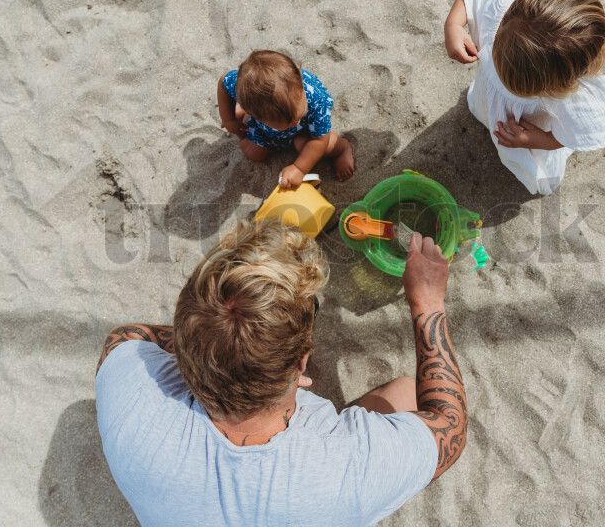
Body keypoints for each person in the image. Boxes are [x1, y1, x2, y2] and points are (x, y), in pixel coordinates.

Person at [95, 218, 467, 526]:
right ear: (302, 362)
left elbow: (125, 337)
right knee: (407, 392)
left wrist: (213, 347)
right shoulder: (341, 472)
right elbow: (449, 423)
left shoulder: (131, 394)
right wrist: (427, 303)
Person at [444, 0, 605, 195]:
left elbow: (572, 132)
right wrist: (453, 27)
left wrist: (540, 140)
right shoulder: (503, 9)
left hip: (528, 129)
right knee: (485, 110)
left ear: (557, 85)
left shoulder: (572, 94)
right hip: (487, 101)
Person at [217, 49, 355, 188]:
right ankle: (248, 114)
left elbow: (319, 140)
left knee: (305, 144)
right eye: (291, 122)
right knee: (253, 153)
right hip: (266, 125)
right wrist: (229, 120)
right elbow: (224, 81)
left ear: (301, 83)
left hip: (306, 131)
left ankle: (342, 148)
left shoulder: (316, 100)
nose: (297, 122)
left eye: (299, 116)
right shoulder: (243, 86)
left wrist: (299, 169)